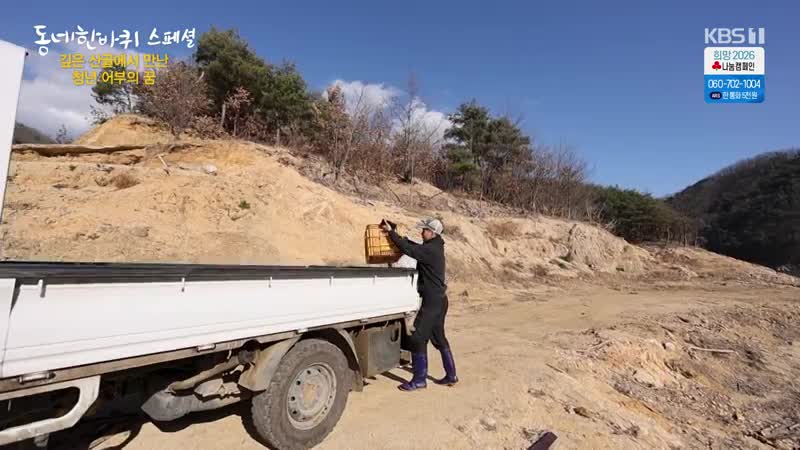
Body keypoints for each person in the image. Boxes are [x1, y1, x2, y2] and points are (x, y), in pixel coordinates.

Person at [382, 217, 458, 391]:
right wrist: (399, 236)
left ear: (433, 232)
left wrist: (392, 234)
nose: (422, 232)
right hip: (440, 300)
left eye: (425, 230)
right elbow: (414, 246)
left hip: (432, 301)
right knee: (439, 337)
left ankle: (419, 379)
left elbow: (410, 250)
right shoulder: (434, 247)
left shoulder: (430, 250)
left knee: (417, 338)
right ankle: (451, 375)